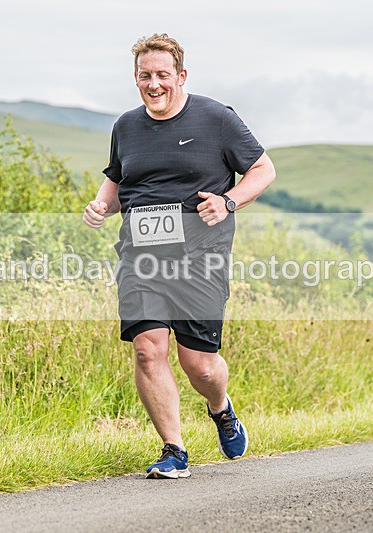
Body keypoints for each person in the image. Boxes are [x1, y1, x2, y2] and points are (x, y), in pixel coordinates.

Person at [83, 33, 275, 479]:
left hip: (201, 256)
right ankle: (174, 450)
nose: (154, 84)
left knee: (200, 365)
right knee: (149, 351)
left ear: (181, 76)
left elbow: (263, 169)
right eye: (145, 76)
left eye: (162, 75)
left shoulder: (216, 118)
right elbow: (117, 182)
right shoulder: (126, 126)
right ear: (135, 78)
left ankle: (221, 408)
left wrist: (228, 201)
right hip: (140, 256)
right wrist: (100, 205)